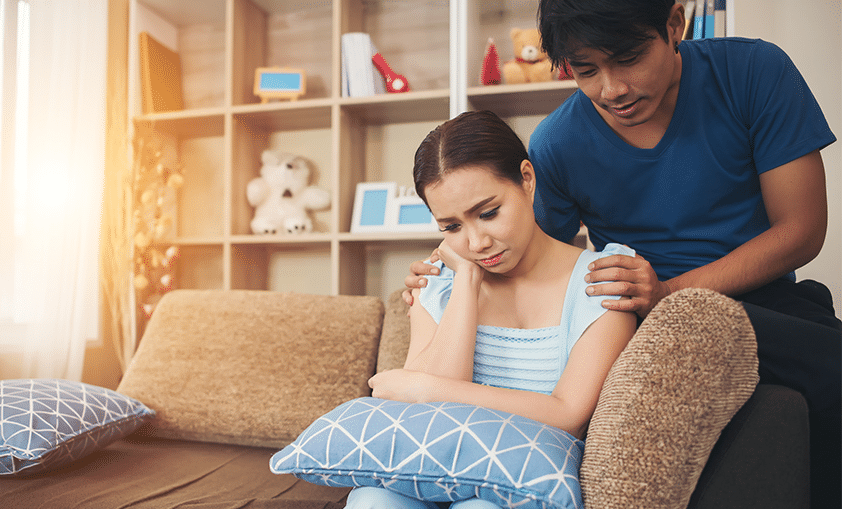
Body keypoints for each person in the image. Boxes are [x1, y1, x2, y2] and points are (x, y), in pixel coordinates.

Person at [404, 1, 840, 506]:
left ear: (674, 25)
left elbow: (803, 230)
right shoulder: (558, 142)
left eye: (629, 57)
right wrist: (450, 266)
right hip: (635, 324)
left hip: (759, 303)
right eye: (585, 70)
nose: (612, 90)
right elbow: (523, 253)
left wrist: (671, 292)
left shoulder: (753, 72)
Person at [347, 110, 637, 509]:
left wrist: (428, 390)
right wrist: (465, 283)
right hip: (436, 467)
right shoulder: (439, 281)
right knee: (372, 501)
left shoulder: (602, 278)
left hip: (528, 481)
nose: (477, 242)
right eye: (452, 227)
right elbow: (423, 422)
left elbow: (569, 415)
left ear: (527, 180)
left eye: (488, 213)